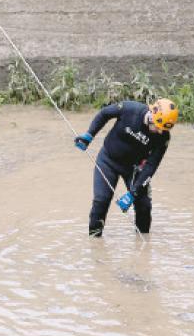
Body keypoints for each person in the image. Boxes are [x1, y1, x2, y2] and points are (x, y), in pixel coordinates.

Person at [74, 98, 178, 237]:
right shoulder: (130, 109)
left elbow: (151, 166)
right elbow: (104, 113)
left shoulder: (163, 137)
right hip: (108, 161)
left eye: (164, 129)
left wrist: (133, 193)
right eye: (158, 127)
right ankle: (95, 242)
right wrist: (89, 135)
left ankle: (143, 243)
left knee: (144, 205)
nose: (160, 132)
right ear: (153, 116)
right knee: (101, 201)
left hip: (134, 169)